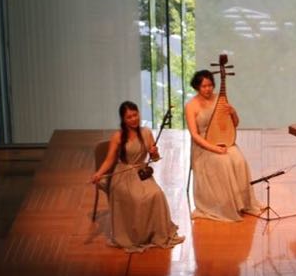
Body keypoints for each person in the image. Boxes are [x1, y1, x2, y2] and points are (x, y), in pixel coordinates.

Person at [91, 101, 182, 252]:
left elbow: (155, 158)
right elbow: (109, 160)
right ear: (123, 119)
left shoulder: (146, 132)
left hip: (141, 172)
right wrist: (99, 173)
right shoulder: (118, 136)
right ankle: (136, 236)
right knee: (137, 198)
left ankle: (153, 233)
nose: (134, 119)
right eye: (129, 117)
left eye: (135, 115)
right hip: (123, 174)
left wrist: (154, 153)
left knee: (156, 194)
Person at [185, 69, 260, 222]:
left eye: (210, 85)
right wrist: (214, 148)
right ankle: (226, 206)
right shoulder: (191, 106)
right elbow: (194, 135)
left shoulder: (220, 99)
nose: (208, 89)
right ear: (197, 87)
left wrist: (233, 112)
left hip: (222, 139)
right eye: (204, 86)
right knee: (223, 162)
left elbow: (234, 124)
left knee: (239, 160)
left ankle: (242, 203)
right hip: (203, 146)